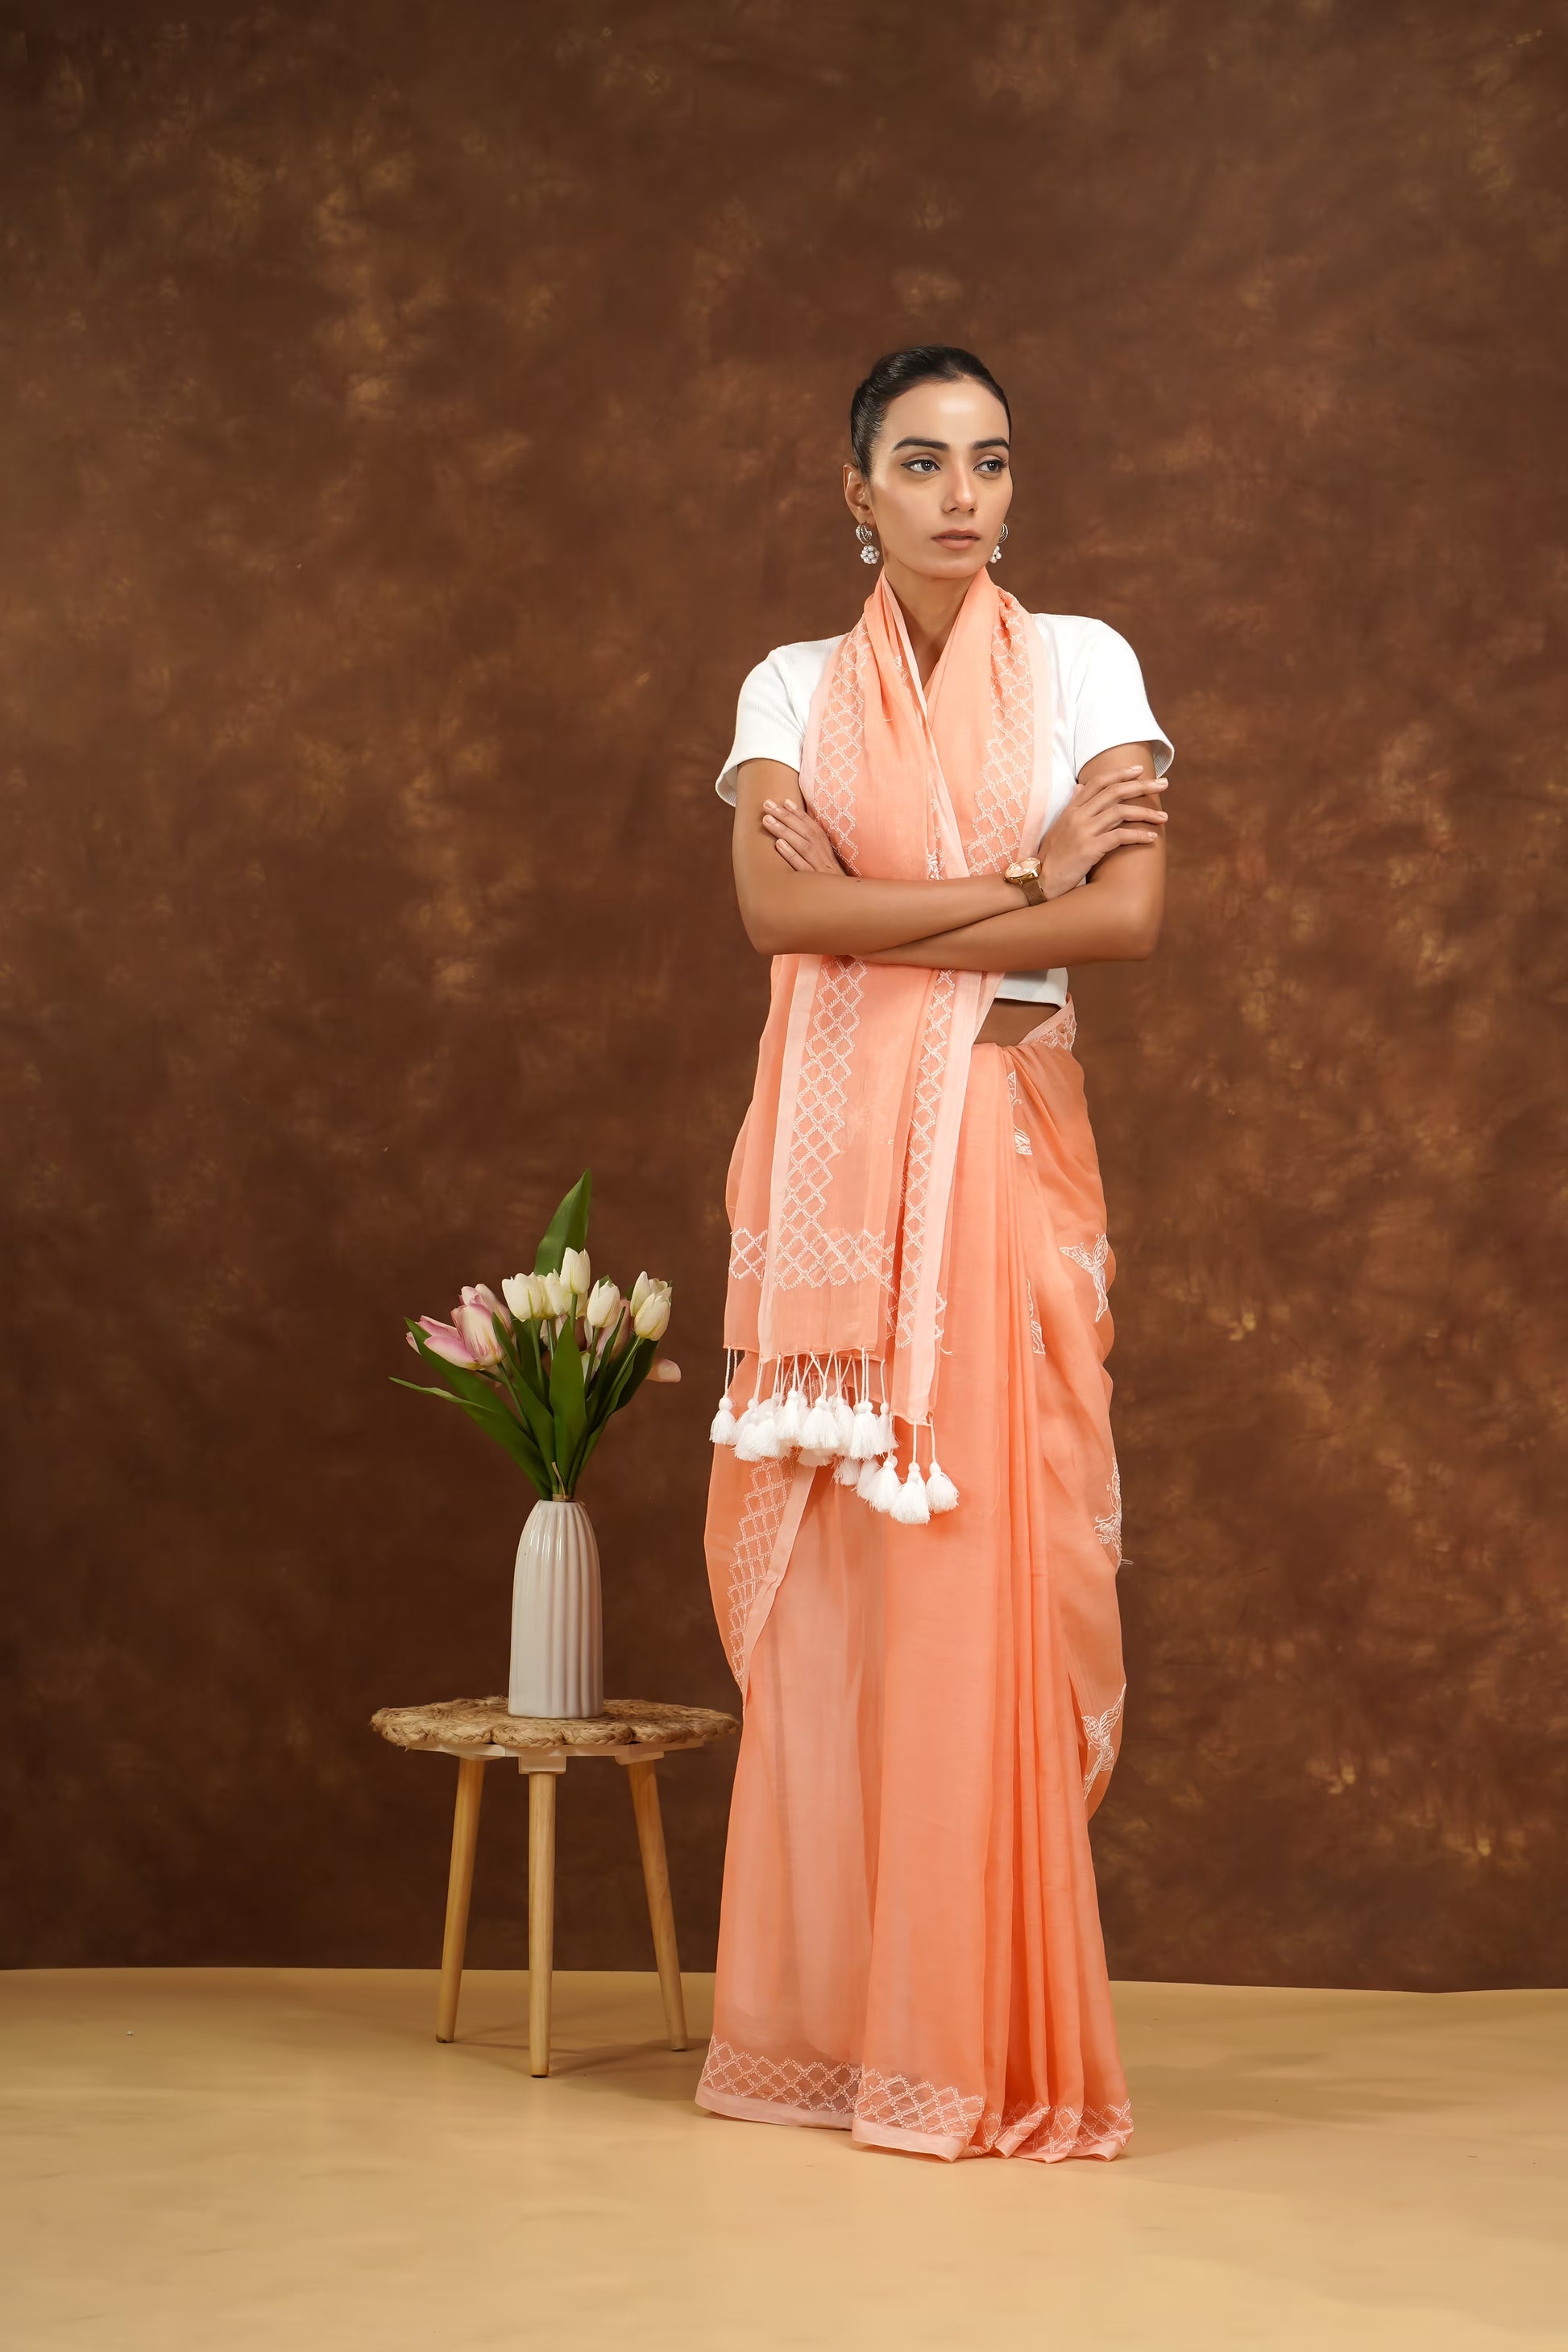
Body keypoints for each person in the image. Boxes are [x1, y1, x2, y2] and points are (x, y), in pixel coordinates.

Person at [695, 345, 1172, 2163]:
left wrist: (906, 914)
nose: (960, 493)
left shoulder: (1086, 662)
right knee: (851, 1593)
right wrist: (1021, 877)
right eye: (919, 460)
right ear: (855, 490)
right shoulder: (791, 687)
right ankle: (834, 2034)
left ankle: (980, 2041)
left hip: (996, 1150)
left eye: (988, 460)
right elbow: (767, 912)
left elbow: (1120, 918)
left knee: (981, 1567)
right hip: (839, 1200)